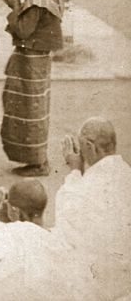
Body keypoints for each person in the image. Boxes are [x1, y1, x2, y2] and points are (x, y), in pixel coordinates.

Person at [0, 0, 63, 177]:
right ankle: (35, 160)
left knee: (30, 110)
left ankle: (38, 162)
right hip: (38, 61)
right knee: (33, 108)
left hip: (31, 62)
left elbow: (24, 31)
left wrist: (15, 8)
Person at [53, 116, 131, 299]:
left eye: (81, 147)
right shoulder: (126, 173)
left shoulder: (86, 187)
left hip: (100, 283)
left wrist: (74, 170)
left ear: (89, 146)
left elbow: (66, 222)